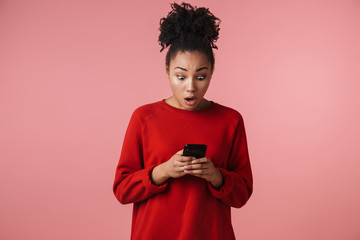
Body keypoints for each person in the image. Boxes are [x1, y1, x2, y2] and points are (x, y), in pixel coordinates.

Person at [113, 2, 253, 240]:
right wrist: (163, 170)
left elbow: (242, 195)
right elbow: (122, 190)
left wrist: (215, 175)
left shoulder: (230, 120)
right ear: (166, 71)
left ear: (211, 72)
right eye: (180, 76)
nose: (190, 87)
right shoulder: (144, 117)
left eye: (201, 76)